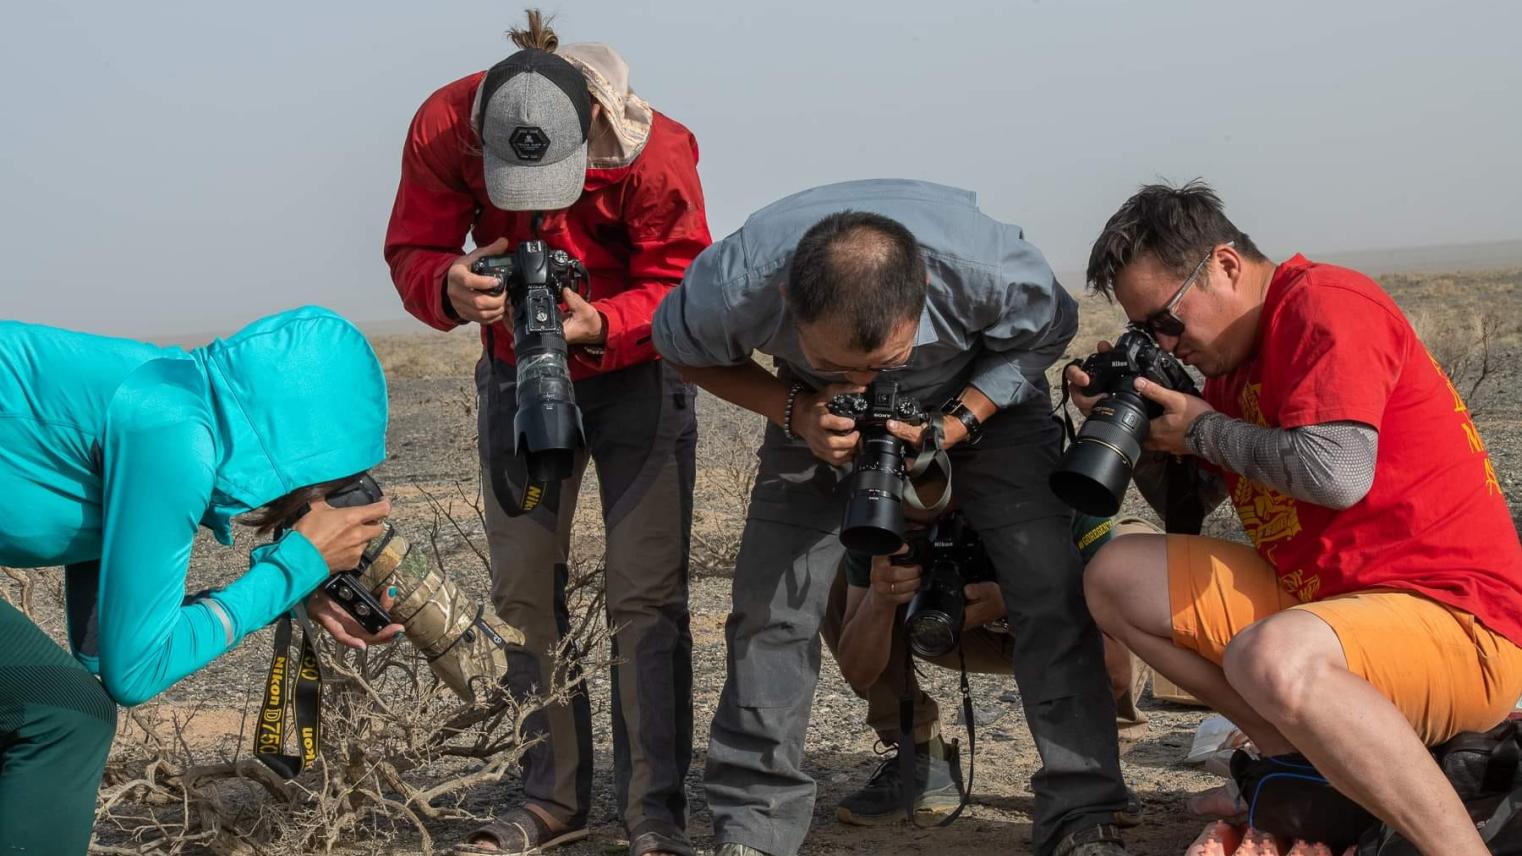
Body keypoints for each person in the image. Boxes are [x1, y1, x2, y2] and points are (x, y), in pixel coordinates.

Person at [653, 179, 1137, 856]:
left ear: (927, 295)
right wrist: (794, 410)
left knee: (1047, 588)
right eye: (836, 362)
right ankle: (754, 831)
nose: (865, 383)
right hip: (813, 420)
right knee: (771, 609)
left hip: (980, 403)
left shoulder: (989, 272)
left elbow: (1048, 330)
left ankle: (1082, 813)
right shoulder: (734, 283)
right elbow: (679, 345)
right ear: (788, 302)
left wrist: (961, 419)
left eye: (883, 364)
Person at [1076, 181, 1522, 855]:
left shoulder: (1325, 305)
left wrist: (1202, 432)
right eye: (1146, 330)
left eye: (1167, 319)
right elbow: (1186, 514)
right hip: (1338, 609)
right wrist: (1138, 429)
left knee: (1273, 657)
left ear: (1226, 265)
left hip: (1461, 624)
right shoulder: (1229, 368)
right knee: (1115, 574)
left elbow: (1338, 473)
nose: (1168, 340)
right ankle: (1309, 765)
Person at [382, 12, 711, 856]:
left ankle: (653, 811)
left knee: (646, 597)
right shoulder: (445, 124)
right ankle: (550, 797)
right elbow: (413, 247)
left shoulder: (657, 149)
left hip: (636, 370)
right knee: (524, 589)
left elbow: (683, 284)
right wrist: (449, 286)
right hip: (512, 372)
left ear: (594, 124)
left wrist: (602, 322)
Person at [0, 306, 396, 856]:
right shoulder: (175, 437)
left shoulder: (170, 398)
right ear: (302, 450)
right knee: (66, 717)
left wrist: (287, 595)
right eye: (333, 482)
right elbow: (134, 672)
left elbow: (101, 647)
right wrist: (294, 568)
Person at [822, 502, 1157, 827]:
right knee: (830, 564)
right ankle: (921, 755)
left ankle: (1092, 764)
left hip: (1045, 623)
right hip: (945, 623)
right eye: (916, 523)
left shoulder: (1049, 486)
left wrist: (1016, 604)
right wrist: (880, 599)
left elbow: (1113, 670)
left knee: (1129, 563)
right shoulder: (881, 506)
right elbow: (859, 670)